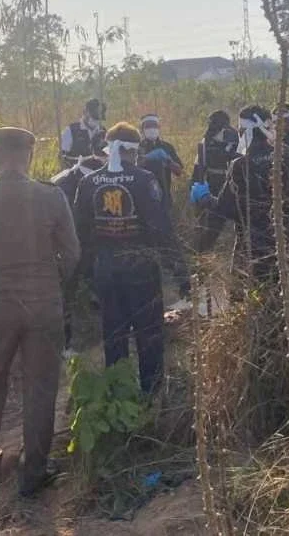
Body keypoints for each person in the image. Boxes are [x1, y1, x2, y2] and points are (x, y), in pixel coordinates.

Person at [0, 127, 80, 498]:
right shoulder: (51, 196)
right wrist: (52, 283)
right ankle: (34, 470)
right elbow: (73, 255)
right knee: (40, 388)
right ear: (30, 154)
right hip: (44, 305)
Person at [73, 123, 190, 395]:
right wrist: (180, 272)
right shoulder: (144, 179)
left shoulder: (88, 182)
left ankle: (119, 394)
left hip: (105, 271)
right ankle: (151, 396)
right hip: (141, 270)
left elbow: (81, 233)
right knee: (149, 334)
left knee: (114, 335)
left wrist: (85, 275)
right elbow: (161, 230)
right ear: (133, 151)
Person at [190, 106, 289, 287]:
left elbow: (227, 209)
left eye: (240, 130)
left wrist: (204, 197)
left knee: (246, 292)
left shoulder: (240, 165)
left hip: (253, 244)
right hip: (288, 239)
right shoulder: (287, 154)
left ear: (247, 130)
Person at [50, 153, 105, 356]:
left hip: (84, 242)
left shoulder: (82, 180)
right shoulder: (62, 186)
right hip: (63, 248)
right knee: (65, 294)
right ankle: (65, 344)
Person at [190, 110, 240, 252]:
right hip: (212, 184)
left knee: (233, 223)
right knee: (211, 223)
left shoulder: (234, 136)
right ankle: (203, 255)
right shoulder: (207, 139)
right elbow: (199, 164)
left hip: (230, 183)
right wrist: (195, 186)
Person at [138, 114, 184, 209]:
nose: (152, 129)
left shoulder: (167, 147)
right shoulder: (137, 147)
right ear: (142, 129)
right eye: (148, 126)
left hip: (164, 195)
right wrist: (145, 159)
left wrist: (168, 160)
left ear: (159, 127)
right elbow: (132, 168)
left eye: (154, 126)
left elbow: (179, 171)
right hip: (142, 196)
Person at [60, 98, 107, 165]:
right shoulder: (71, 130)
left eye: (99, 119)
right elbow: (62, 157)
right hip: (76, 173)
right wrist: (83, 160)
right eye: (94, 117)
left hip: (98, 173)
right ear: (85, 112)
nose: (97, 121)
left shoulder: (103, 131)